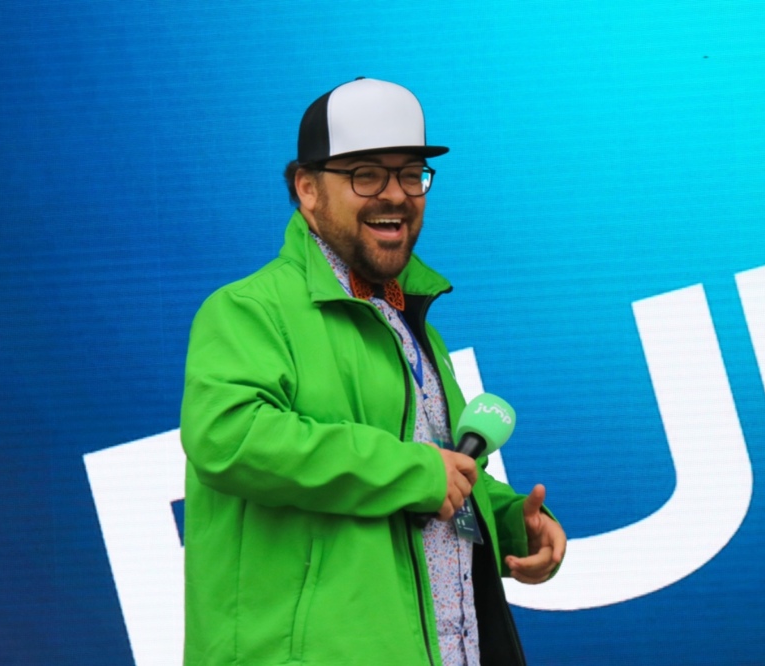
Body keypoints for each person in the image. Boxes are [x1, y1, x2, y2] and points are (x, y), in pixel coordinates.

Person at [180, 77, 566, 666]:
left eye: (411, 174)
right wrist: (414, 472)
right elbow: (229, 438)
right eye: (366, 174)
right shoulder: (248, 309)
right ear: (307, 189)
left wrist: (513, 523)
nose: (395, 195)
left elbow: (443, 472)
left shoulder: (412, 323)